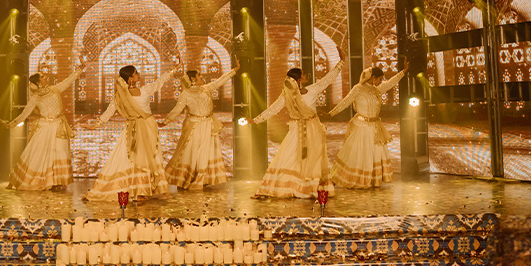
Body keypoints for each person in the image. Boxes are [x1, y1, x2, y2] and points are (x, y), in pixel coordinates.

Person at [84, 57, 182, 202]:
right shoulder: (121, 96)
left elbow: (160, 81)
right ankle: (137, 190)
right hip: (133, 129)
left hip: (149, 128)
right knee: (131, 159)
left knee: (150, 158)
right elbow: (110, 111)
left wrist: (176, 68)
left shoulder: (144, 90)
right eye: (136, 73)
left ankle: (143, 190)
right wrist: (96, 124)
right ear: (130, 78)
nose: (139, 75)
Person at [252, 61, 344, 199]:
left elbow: (328, 79)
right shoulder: (287, 95)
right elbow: (274, 109)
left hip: (313, 129)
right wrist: (255, 120)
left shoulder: (312, 89)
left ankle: (311, 188)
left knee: (313, 158)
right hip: (296, 129)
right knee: (289, 155)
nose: (306, 75)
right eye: (303, 74)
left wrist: (340, 63)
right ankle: (285, 187)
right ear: (299, 79)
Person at [1, 63, 85, 191]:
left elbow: (68, 81)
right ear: (38, 82)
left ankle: (57, 182)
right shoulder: (35, 98)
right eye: (43, 76)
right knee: (35, 154)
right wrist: (11, 124)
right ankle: (25, 179)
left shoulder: (55, 89)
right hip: (44, 127)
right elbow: (25, 114)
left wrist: (80, 69)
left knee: (60, 153)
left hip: (58, 126)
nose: (47, 77)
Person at [328, 60, 409, 188]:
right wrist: (331, 113)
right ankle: (341, 178)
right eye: (380, 79)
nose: (381, 82)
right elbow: (345, 102)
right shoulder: (358, 89)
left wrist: (403, 72)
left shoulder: (376, 90)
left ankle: (371, 179)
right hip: (361, 127)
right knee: (355, 154)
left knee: (374, 154)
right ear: (373, 78)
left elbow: (390, 84)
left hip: (375, 128)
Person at [160, 61, 240, 190]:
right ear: (193, 79)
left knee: (206, 152)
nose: (202, 77)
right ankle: (188, 178)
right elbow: (177, 109)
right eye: (199, 75)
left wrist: (234, 70)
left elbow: (220, 81)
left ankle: (203, 178)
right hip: (194, 126)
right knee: (191, 152)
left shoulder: (206, 88)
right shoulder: (185, 94)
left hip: (208, 125)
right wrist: (166, 121)